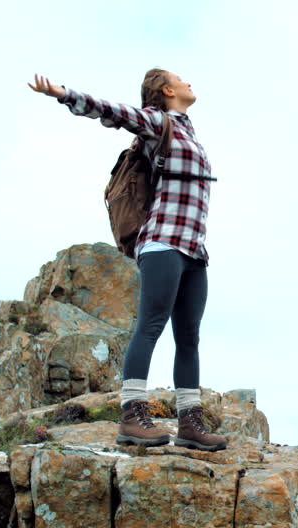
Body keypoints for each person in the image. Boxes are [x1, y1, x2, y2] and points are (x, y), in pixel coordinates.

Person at [28, 69, 226, 451]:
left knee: (189, 338)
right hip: (162, 243)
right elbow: (112, 112)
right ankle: (132, 415)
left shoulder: (187, 130)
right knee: (151, 325)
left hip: (193, 250)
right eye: (181, 79)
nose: (190, 83)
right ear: (167, 90)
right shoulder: (158, 121)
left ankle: (190, 423)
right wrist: (64, 93)